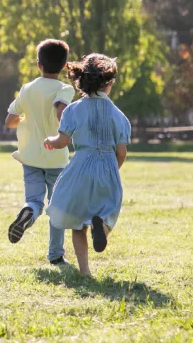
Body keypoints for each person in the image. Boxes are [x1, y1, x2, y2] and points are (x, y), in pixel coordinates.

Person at [44, 54, 131, 276]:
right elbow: (121, 152)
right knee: (108, 211)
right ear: (109, 82)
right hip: (108, 167)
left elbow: (62, 141)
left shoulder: (73, 109)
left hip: (80, 166)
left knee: (77, 222)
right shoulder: (119, 116)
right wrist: (112, 169)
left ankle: (85, 272)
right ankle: (101, 228)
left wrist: (49, 141)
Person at [5, 39, 75, 265]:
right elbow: (60, 110)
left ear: (39, 65)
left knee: (34, 200)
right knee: (57, 207)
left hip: (30, 156)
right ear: (65, 66)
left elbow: (10, 121)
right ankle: (55, 254)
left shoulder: (27, 88)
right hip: (55, 156)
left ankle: (28, 212)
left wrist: (28, 120)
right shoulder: (65, 88)